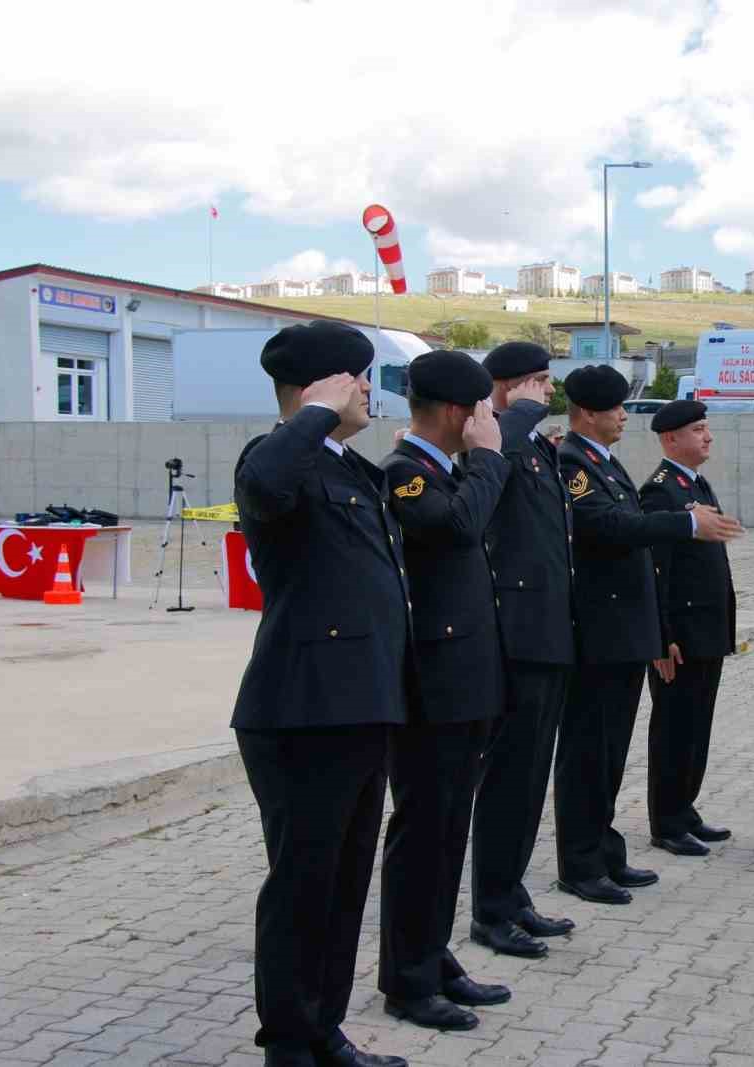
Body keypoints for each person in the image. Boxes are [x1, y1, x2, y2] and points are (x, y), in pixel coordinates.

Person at [230, 321, 409, 1067]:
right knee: (303, 884)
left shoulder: (345, 468)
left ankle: (323, 1028)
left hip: (361, 705)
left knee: (342, 883)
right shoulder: (279, 460)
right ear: (321, 387)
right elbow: (267, 484)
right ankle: (289, 1045)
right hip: (303, 710)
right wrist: (313, 412)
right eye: (356, 376)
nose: (369, 389)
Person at [554, 365, 743, 906]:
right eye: (615, 408)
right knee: (588, 753)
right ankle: (580, 863)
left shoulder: (603, 463)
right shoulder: (574, 463)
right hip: (599, 635)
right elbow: (606, 527)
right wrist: (685, 522)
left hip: (623, 634)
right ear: (588, 413)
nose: (622, 417)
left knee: (610, 754)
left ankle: (605, 850)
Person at [377, 352, 512, 1032]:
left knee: (449, 827)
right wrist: (490, 458)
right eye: (483, 412)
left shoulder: (445, 472)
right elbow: (459, 527)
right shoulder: (405, 474)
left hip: (467, 682)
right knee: (424, 830)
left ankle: (432, 954)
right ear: (461, 413)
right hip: (433, 686)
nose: (488, 423)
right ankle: (407, 977)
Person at [468, 341, 578, 960]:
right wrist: (518, 415)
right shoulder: (494, 432)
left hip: (547, 631)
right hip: (515, 635)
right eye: (536, 381)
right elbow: (484, 465)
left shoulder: (534, 442)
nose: (546, 391)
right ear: (506, 387)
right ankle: (490, 910)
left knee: (531, 774)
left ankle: (511, 893)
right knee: (509, 778)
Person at [641, 400, 736, 857]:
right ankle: (666, 820)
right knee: (674, 726)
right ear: (670, 439)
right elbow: (656, 569)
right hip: (680, 634)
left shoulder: (695, 483)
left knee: (698, 723)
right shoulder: (660, 491)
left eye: (706, 428)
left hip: (707, 628)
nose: (707, 436)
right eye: (697, 430)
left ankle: (685, 807)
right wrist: (662, 634)